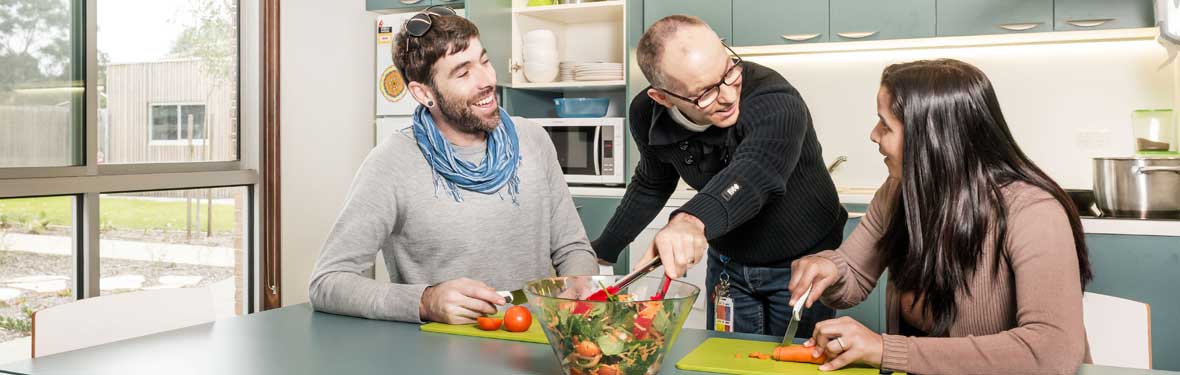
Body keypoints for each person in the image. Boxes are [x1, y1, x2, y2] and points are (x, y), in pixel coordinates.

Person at [788, 59, 1091, 374]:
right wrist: (829, 268)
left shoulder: (1034, 212)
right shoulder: (897, 191)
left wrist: (884, 349)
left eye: (885, 125)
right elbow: (855, 274)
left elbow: (1051, 353)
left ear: (930, 138)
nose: (873, 135)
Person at [308, 7, 597, 324]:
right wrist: (425, 301)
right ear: (424, 93)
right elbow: (328, 281)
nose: (487, 80)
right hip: (442, 353)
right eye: (463, 73)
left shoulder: (534, 140)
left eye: (484, 61)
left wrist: (580, 285)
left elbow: (572, 248)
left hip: (538, 343)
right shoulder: (391, 164)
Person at [591, 15, 846, 337]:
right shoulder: (646, 112)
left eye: (729, 72)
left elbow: (755, 172)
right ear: (663, 97)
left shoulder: (776, 99)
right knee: (726, 361)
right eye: (705, 92)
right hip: (729, 265)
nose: (727, 95)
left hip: (804, 263)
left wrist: (689, 221)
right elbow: (652, 182)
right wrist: (603, 251)